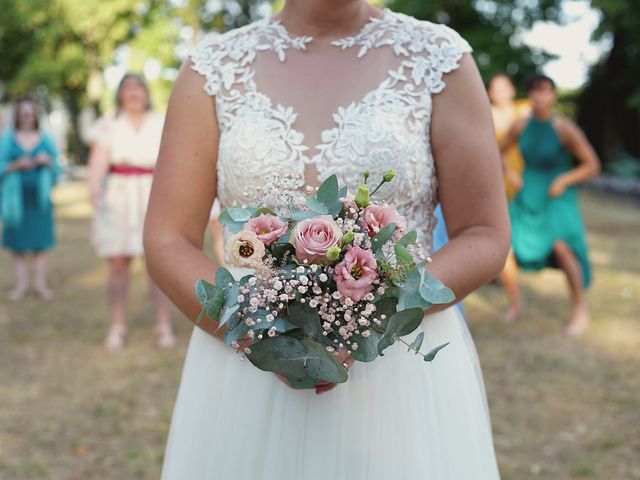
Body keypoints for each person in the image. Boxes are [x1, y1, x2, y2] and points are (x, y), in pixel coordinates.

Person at [145, 3, 509, 478]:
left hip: (397, 374)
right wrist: (259, 334)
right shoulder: (211, 69)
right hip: (246, 374)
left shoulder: (439, 59)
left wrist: (372, 318)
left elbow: (484, 234)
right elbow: (167, 238)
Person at [502, 74, 600, 336]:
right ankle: (515, 302)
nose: (539, 97)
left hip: (557, 195)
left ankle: (580, 308)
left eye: (544, 92)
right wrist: (511, 174)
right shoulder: (520, 125)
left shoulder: (564, 127)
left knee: (563, 248)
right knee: (505, 249)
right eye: (534, 91)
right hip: (528, 193)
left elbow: (592, 164)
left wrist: (565, 178)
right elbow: (499, 149)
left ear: (553, 96)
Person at [88, 73, 174, 350]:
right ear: (120, 93)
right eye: (127, 87)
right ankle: (118, 325)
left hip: (152, 195)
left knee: (156, 265)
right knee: (117, 264)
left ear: (146, 93)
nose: (133, 92)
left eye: (138, 87)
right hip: (119, 197)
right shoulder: (109, 124)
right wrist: (94, 190)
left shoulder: (160, 122)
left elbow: (173, 158)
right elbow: (99, 159)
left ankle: (163, 325)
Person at [0, 97, 59, 301]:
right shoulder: (7, 140)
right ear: (18, 116)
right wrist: (16, 165)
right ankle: (21, 285)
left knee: (40, 245)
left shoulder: (45, 139)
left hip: (39, 202)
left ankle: (40, 285)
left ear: (35, 116)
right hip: (14, 204)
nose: (27, 117)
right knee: (17, 245)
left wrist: (47, 162)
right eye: (23, 114)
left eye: (30, 113)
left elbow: (57, 171)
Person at [488, 73, 530, 322]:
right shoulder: (485, 114)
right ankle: (515, 299)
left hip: (527, 186)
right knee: (505, 244)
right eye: (495, 87)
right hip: (498, 186)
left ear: (512, 89)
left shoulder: (525, 111)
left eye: (505, 87)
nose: (500, 91)